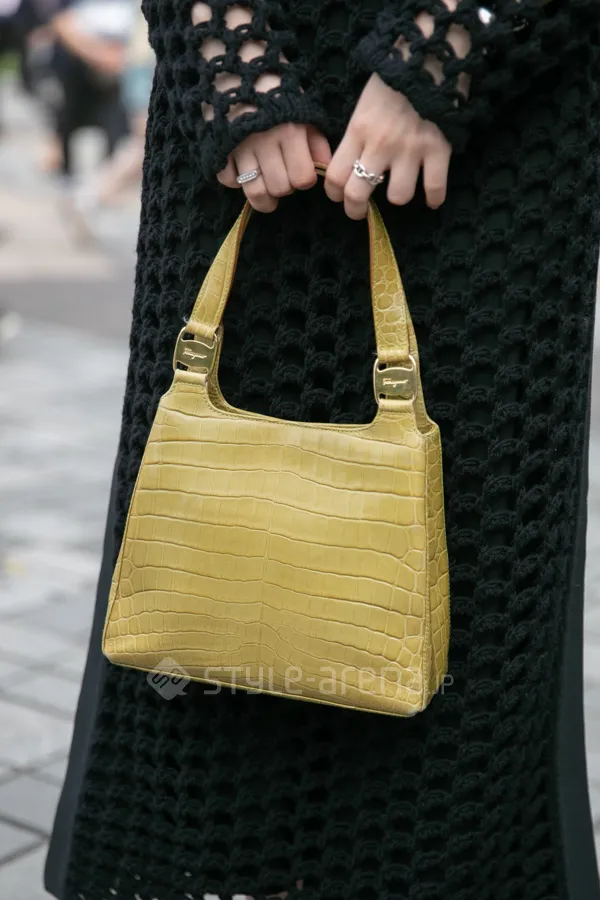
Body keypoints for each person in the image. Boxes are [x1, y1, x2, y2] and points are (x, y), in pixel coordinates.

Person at [45, 2, 600, 899]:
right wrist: (232, 62)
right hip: (236, 119)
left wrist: (439, 51)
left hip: (489, 127)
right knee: (201, 578)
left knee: (470, 602)